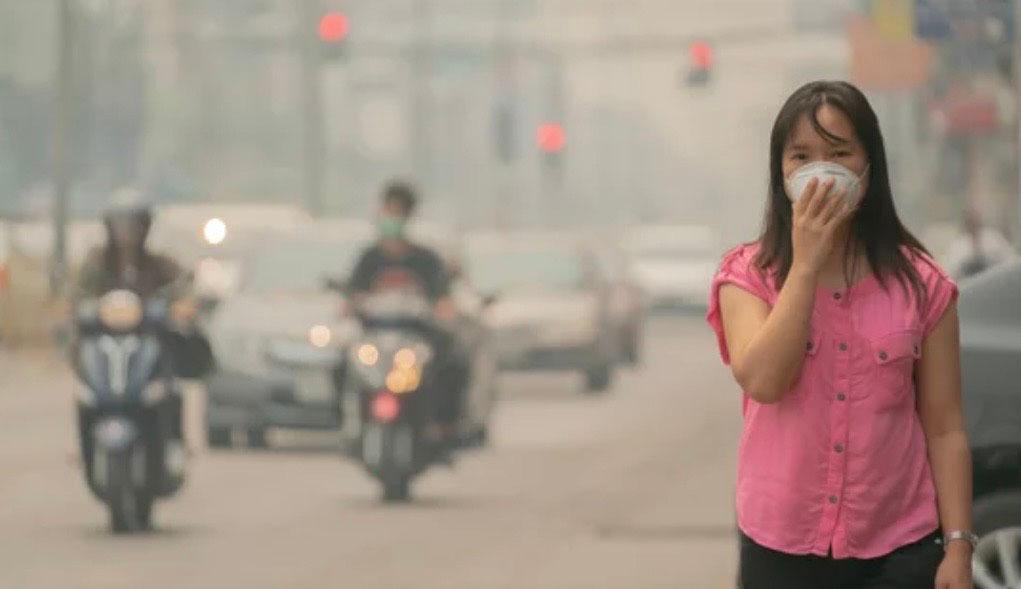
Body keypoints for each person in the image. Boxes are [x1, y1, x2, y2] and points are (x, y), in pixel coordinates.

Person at [706, 81, 973, 589]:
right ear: (781, 172)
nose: (821, 171)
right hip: (779, 545)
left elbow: (944, 427)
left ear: (869, 167)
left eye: (839, 153)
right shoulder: (748, 275)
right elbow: (763, 381)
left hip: (898, 545)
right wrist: (805, 264)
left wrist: (958, 547)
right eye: (801, 156)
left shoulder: (923, 285)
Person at [348, 181, 467, 443]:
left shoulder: (425, 260)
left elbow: (442, 296)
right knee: (343, 361)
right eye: (388, 211)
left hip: (415, 336)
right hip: (376, 336)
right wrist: (349, 304)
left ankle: (442, 424)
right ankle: (348, 421)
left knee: (452, 359)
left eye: (398, 212)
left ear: (409, 216)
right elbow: (352, 294)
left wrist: (444, 307)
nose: (392, 218)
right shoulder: (369, 259)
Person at [944, 207, 1016, 280]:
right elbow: (951, 273)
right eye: (970, 220)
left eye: (975, 219)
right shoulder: (958, 247)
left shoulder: (993, 239)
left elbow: (1012, 261)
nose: (974, 223)